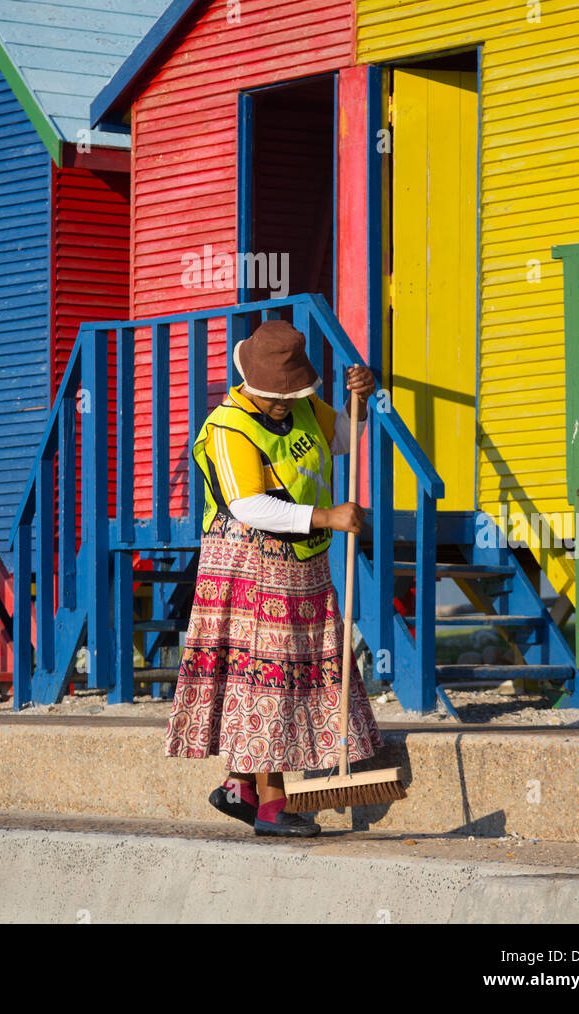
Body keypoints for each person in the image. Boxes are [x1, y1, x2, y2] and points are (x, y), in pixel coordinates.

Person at [164, 318, 384, 837]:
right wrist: (330, 516)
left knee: (273, 676)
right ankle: (270, 805)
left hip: (302, 558)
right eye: (273, 395)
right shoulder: (228, 426)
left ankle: (239, 784)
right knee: (268, 679)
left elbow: (343, 442)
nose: (283, 403)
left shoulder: (304, 406)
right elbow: (248, 505)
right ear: (249, 380)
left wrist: (362, 402)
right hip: (248, 563)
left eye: (292, 393)